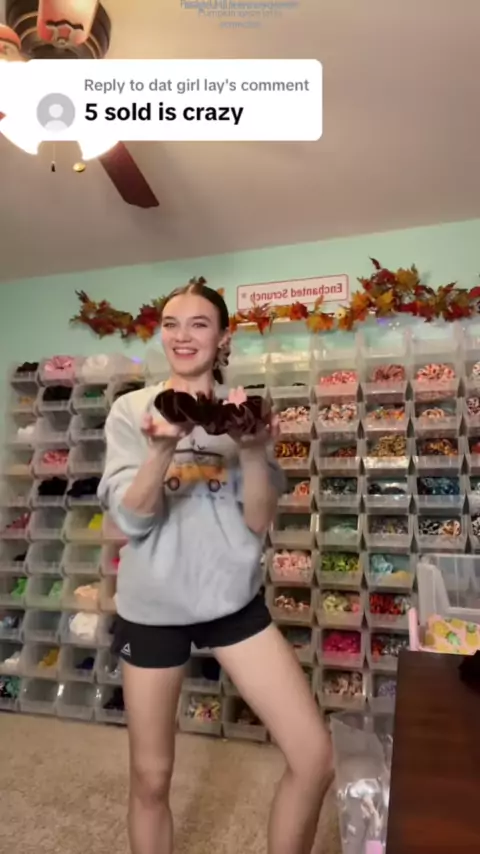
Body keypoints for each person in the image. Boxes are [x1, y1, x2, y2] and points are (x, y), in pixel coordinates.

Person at [98, 279, 333, 854]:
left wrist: (251, 451)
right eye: (171, 324)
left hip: (232, 601)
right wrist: (161, 449)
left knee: (315, 757)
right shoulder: (132, 410)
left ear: (223, 338)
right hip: (153, 608)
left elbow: (258, 520)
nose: (183, 336)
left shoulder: (245, 414)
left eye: (199, 324)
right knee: (151, 778)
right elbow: (129, 523)